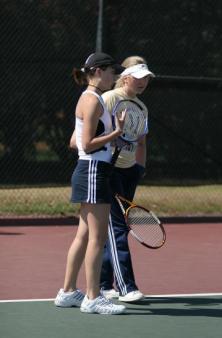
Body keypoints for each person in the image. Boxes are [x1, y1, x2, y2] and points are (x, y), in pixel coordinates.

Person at [54, 52, 126, 315]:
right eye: (110, 71)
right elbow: (85, 144)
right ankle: (93, 298)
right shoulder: (93, 100)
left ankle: (68, 292)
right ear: (97, 71)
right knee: (97, 238)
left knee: (84, 235)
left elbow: (75, 142)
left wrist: (108, 137)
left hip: (89, 170)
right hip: (94, 171)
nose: (114, 76)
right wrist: (115, 134)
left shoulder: (88, 99)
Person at [100, 56, 155, 302]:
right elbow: (94, 130)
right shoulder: (110, 98)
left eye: (147, 78)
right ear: (125, 77)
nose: (143, 82)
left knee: (110, 229)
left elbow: (141, 141)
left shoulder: (142, 108)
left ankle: (103, 284)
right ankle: (126, 287)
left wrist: (138, 169)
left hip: (129, 172)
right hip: (108, 170)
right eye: (139, 77)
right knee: (118, 228)